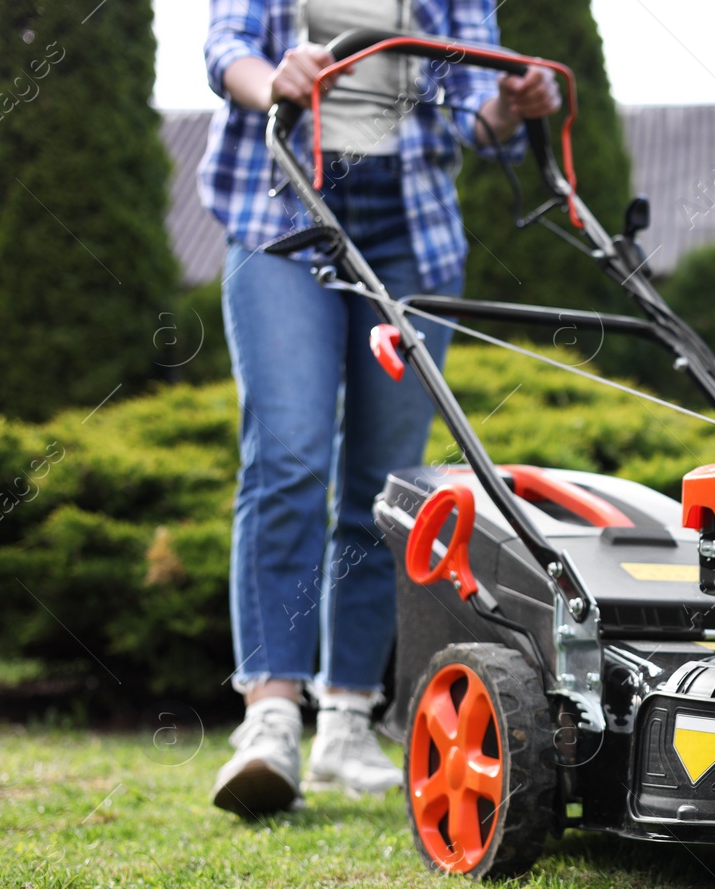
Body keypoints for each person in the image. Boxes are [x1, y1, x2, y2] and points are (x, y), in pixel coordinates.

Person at [200, 0, 561, 817]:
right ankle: (269, 717)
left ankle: (347, 718)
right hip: (280, 208)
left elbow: (474, 102)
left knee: (383, 484)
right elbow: (226, 47)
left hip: (409, 233)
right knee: (288, 453)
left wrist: (514, 104)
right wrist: (274, 80)